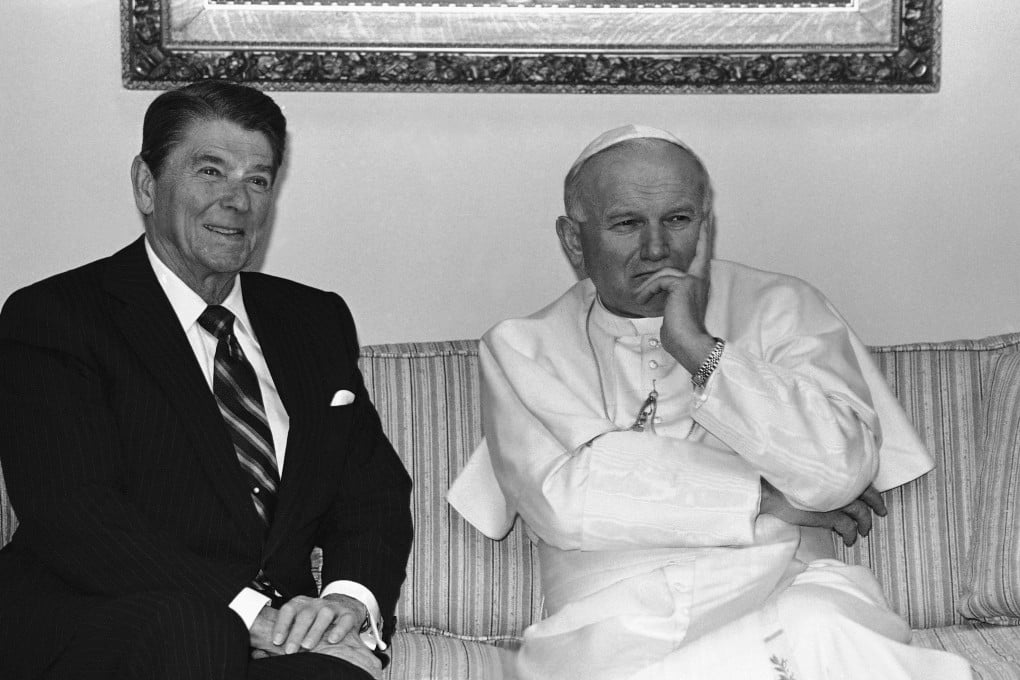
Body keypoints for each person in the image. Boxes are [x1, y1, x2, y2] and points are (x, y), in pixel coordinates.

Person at [448, 125, 973, 679]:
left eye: (678, 219)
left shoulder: (784, 308)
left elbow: (839, 472)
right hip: (612, 629)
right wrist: (765, 497)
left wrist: (702, 353)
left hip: (784, 588)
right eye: (627, 223)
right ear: (574, 240)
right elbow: (567, 502)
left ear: (706, 222)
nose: (657, 247)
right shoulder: (521, 347)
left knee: (823, 627)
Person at [0, 81, 413, 680]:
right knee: (195, 629)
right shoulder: (57, 316)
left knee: (338, 673)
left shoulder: (314, 321)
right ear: (147, 184)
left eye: (258, 180)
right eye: (210, 171)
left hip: (271, 642)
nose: (237, 201)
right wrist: (248, 611)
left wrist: (346, 602)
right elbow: (74, 512)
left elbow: (370, 491)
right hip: (109, 627)